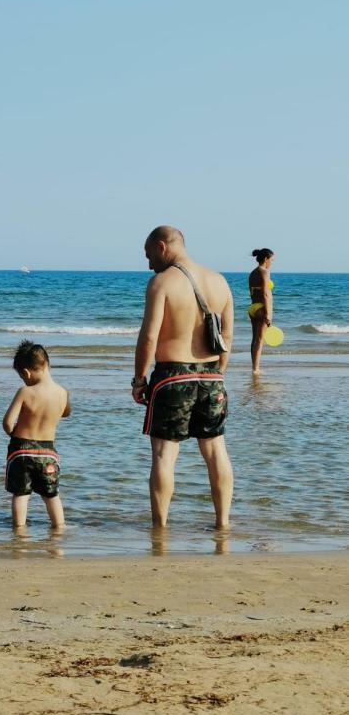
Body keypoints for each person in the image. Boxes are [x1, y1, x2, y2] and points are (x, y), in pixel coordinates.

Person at [132, 226, 234, 531]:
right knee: (216, 451)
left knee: (164, 455)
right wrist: (219, 373)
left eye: (149, 255)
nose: (149, 264)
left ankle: (160, 526)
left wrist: (139, 379)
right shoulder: (220, 281)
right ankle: (222, 522)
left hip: (172, 377)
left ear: (162, 247)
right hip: (212, 374)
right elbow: (227, 335)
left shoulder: (161, 283)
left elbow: (149, 337)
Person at [3, 340, 71, 531]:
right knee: (51, 495)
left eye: (22, 377)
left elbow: (7, 422)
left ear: (26, 372)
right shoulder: (62, 393)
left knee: (21, 494)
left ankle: (19, 529)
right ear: (48, 364)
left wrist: (14, 435)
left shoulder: (25, 392)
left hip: (22, 450)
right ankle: (59, 527)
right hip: (48, 452)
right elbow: (66, 412)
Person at [248, 248, 275, 375]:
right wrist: (268, 314)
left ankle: (254, 367)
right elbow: (265, 294)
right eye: (271, 260)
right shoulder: (264, 272)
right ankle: (256, 369)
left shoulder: (253, 273)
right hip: (261, 308)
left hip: (253, 307)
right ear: (265, 259)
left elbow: (253, 292)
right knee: (260, 340)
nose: (272, 262)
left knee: (255, 339)